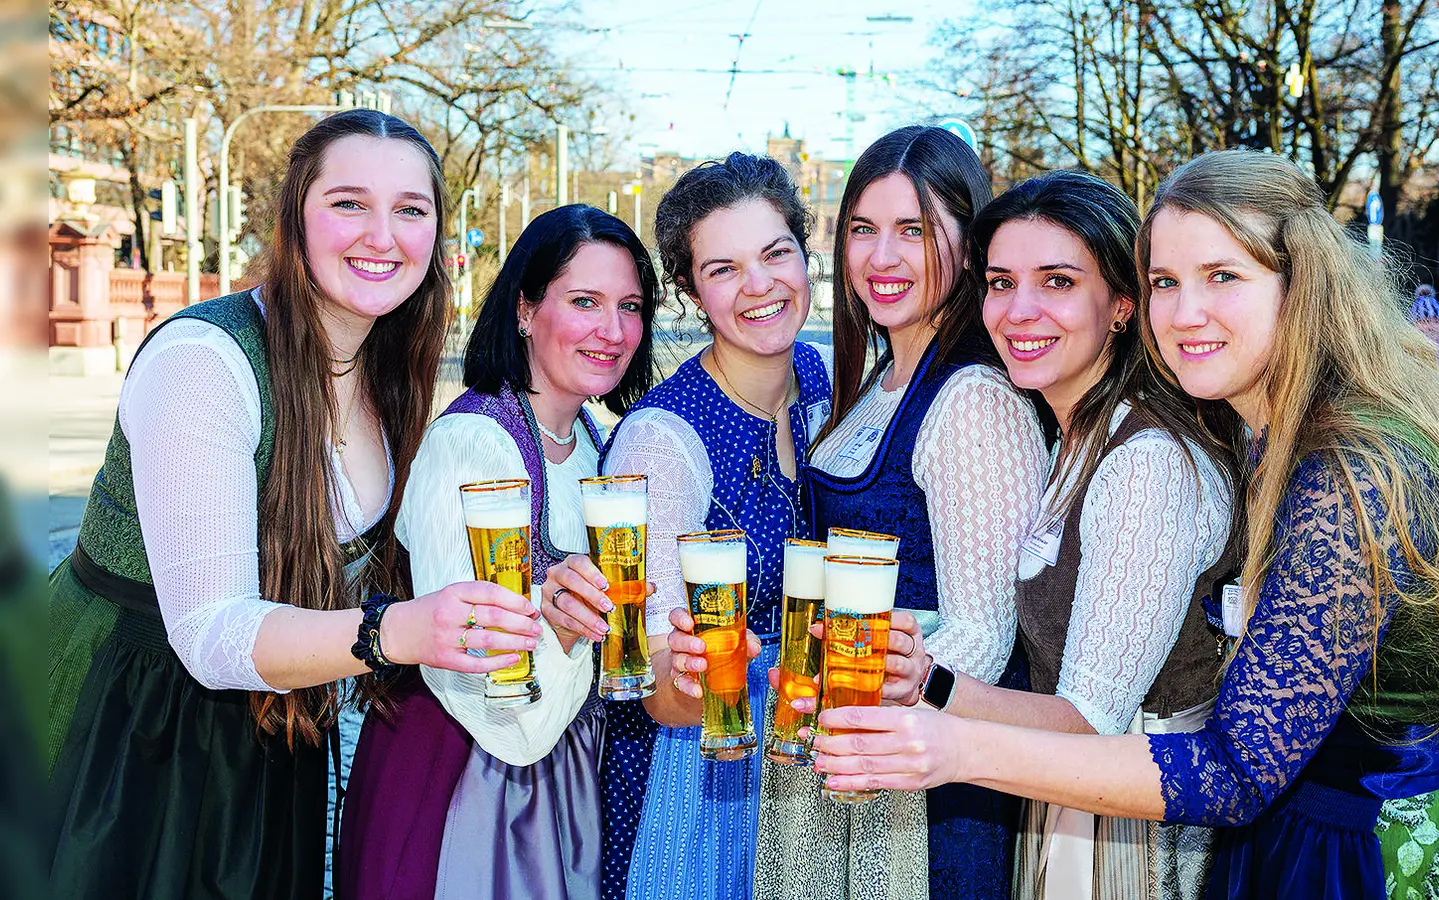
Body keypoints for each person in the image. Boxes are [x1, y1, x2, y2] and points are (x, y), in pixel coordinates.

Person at [811, 149, 1439, 898]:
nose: (1185, 311)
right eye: (1167, 280)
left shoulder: (1349, 467)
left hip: (1385, 854)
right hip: (1301, 835)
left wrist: (952, 744)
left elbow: (1235, 766)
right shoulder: (1266, 431)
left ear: (1303, 285)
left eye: (1222, 276)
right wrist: (933, 686)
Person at [46, 109, 542, 900]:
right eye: (349, 203)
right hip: (126, 727)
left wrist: (541, 598)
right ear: (295, 219)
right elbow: (210, 634)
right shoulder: (204, 360)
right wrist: (399, 631)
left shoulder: (389, 365)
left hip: (280, 725)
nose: (382, 234)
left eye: (410, 210)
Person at [752, 125, 1047, 900]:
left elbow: (986, 628)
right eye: (862, 230)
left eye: (913, 231)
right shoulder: (882, 374)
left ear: (970, 241)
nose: (881, 259)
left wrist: (874, 690)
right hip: (852, 744)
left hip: (922, 787)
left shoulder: (972, 397)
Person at [336, 204, 660, 900]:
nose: (613, 330)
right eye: (584, 301)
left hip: (565, 778)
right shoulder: (475, 446)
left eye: (630, 306)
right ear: (524, 309)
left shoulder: (598, 446)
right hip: (470, 783)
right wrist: (574, 631)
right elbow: (493, 702)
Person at [540, 153, 831, 900]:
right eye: (724, 268)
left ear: (806, 254)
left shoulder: (834, 380)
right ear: (691, 289)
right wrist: (707, 677)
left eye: (776, 253)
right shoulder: (661, 438)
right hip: (700, 776)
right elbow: (655, 687)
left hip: (818, 763)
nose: (760, 285)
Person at [959, 170, 1239, 898]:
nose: (1018, 310)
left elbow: (1089, 720)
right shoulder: (1075, 434)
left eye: (1056, 281)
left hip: (1138, 818)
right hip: (1075, 795)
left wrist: (923, 691)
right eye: (999, 282)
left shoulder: (1147, 461)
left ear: (1121, 303)